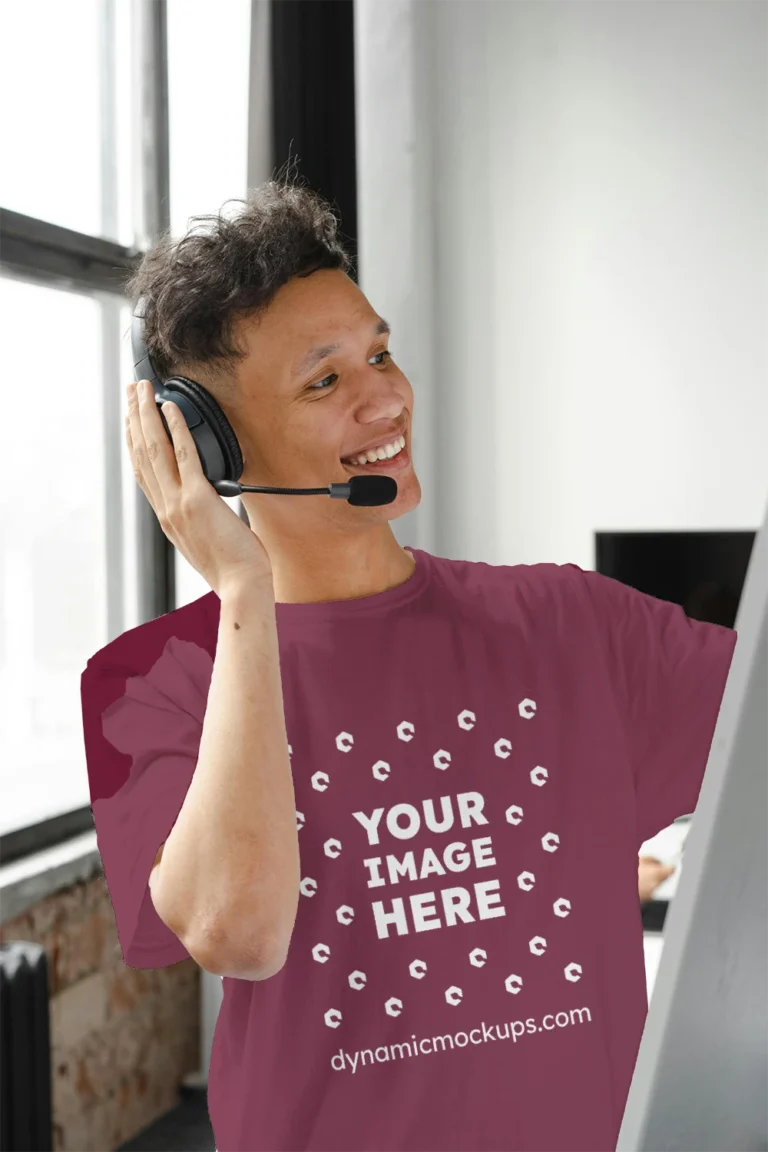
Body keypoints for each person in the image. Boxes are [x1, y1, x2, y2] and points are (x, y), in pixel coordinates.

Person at [80, 174, 737, 1152]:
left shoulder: (572, 622)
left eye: (379, 351)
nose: (385, 393)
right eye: (325, 380)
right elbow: (240, 930)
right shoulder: (152, 683)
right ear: (211, 448)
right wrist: (243, 592)